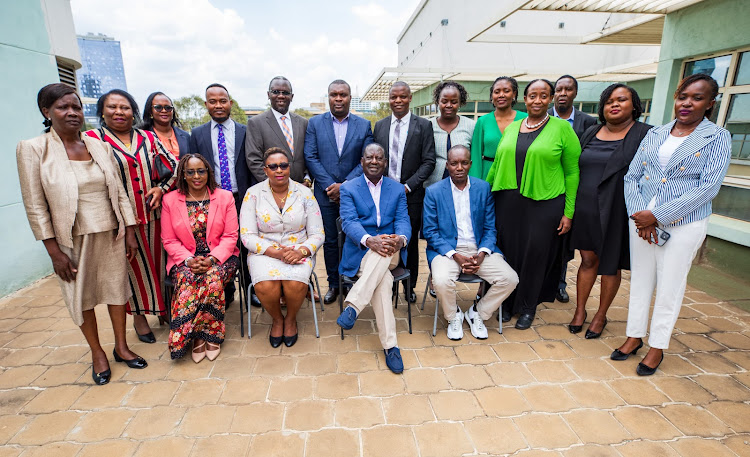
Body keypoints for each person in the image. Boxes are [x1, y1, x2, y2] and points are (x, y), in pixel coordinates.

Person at [17, 83, 146, 385]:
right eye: (63, 107)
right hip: (71, 240)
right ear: (46, 112)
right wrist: (54, 252)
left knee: (117, 292)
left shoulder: (97, 144)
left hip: (110, 232)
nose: (72, 112)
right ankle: (97, 353)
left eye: (76, 106)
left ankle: (121, 346)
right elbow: (35, 204)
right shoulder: (34, 149)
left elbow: (120, 190)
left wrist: (128, 230)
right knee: (82, 297)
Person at [612, 74, 730, 375]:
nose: (687, 103)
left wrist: (659, 216)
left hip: (683, 224)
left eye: (697, 97)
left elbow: (708, 188)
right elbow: (632, 177)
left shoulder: (716, 137)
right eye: (683, 96)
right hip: (641, 221)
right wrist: (640, 214)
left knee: (669, 286)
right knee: (640, 280)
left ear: (709, 103)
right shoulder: (656, 134)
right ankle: (634, 336)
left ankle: (657, 346)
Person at [486, 79, 581, 330]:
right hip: (508, 201)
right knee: (507, 252)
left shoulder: (562, 129)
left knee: (535, 256)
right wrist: (483, 197)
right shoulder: (513, 127)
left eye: (543, 95)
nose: (537, 100)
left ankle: (528, 307)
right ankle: (506, 302)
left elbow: (572, 173)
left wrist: (568, 212)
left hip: (545, 203)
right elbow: (496, 165)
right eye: (532, 96)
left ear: (550, 99)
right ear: (524, 99)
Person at [85, 89, 176, 342]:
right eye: (112, 107)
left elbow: (174, 168)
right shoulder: (92, 139)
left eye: (124, 107)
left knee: (159, 266)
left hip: (154, 216)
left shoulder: (148, 137)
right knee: (131, 269)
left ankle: (164, 311)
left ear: (133, 111)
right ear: (102, 111)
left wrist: (161, 188)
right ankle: (139, 318)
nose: (118, 112)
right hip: (119, 221)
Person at [568, 84, 651, 339]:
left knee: (610, 265)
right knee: (588, 260)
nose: (614, 105)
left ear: (634, 105)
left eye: (622, 100)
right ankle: (580, 311)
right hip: (586, 207)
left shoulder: (645, 134)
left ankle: (601, 315)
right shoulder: (591, 132)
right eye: (609, 101)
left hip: (617, 209)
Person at [423, 146, 518, 340]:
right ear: (447, 165)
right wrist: (455, 255)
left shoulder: (483, 188)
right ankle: (453, 316)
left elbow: (491, 228)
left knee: (510, 279)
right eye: (454, 163)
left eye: (464, 163)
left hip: (478, 249)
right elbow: (430, 232)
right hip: (447, 251)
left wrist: (482, 253)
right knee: (440, 280)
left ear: (470, 164)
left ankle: (478, 313)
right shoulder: (434, 192)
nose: (459, 167)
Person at [336, 144, 410, 374]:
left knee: (384, 252)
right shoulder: (349, 188)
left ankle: (354, 305)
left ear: (385, 162)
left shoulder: (397, 189)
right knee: (384, 282)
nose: (374, 161)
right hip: (362, 252)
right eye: (370, 157)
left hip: (391, 249)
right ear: (362, 161)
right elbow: (348, 222)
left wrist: (400, 239)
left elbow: (403, 220)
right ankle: (391, 346)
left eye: (379, 157)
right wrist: (370, 240)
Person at [239, 148, 324, 347]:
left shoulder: (304, 193)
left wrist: (302, 251)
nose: (279, 170)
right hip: (264, 251)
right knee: (266, 285)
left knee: (295, 284)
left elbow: (318, 233)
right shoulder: (253, 194)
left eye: (284, 165)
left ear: (289, 168)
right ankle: (277, 319)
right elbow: (247, 235)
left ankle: (291, 319)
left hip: (298, 249)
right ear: (265, 170)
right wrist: (276, 252)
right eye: (273, 166)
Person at [161, 154, 240, 362]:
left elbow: (231, 236)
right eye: (190, 172)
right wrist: (189, 260)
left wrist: (212, 259)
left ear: (208, 173)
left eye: (201, 171)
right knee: (189, 279)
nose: (196, 176)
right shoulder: (170, 200)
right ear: (183, 175)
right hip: (185, 259)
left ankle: (211, 334)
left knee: (212, 279)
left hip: (221, 257)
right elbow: (168, 240)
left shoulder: (224, 197)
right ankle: (196, 337)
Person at [304, 79, 374, 305]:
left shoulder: (363, 125)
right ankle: (334, 284)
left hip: (354, 193)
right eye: (334, 94)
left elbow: (366, 159)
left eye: (343, 95)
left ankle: (352, 281)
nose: (338, 98)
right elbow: (311, 156)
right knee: (331, 241)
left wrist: (344, 185)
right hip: (324, 195)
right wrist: (329, 185)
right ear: (328, 97)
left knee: (354, 237)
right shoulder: (314, 124)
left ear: (350, 97)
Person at [189, 83, 258, 308]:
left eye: (222, 101)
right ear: (206, 104)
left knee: (247, 243)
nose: (218, 105)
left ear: (230, 103)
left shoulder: (245, 131)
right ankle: (225, 290)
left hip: (242, 197)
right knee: (217, 244)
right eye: (213, 101)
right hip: (213, 201)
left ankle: (252, 289)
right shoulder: (197, 134)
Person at [373, 81, 436, 303]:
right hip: (383, 196)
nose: (397, 101)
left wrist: (407, 186)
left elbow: (429, 162)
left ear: (410, 98)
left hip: (412, 196)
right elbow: (375, 161)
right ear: (389, 99)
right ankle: (387, 285)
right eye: (393, 97)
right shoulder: (379, 126)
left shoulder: (424, 126)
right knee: (387, 238)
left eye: (402, 97)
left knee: (408, 241)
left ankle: (409, 286)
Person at [550, 75, 597, 304]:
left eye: (568, 89)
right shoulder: (543, 118)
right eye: (559, 89)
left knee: (564, 241)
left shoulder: (587, 123)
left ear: (575, 93)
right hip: (548, 187)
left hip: (573, 187)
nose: (563, 93)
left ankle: (559, 284)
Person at [246, 76, 310, 185]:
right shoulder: (256, 123)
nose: (281, 96)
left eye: (285, 93)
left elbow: (310, 154)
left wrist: (307, 178)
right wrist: (274, 185)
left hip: (301, 189)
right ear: (268, 95)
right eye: (276, 92)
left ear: (292, 96)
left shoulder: (303, 123)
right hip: (272, 191)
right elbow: (254, 160)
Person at [470, 76, 527, 180]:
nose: (501, 95)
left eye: (506, 91)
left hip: (517, 174)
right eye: (497, 92)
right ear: (492, 96)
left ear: (514, 94)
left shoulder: (524, 119)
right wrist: (475, 183)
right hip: (488, 175)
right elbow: (475, 155)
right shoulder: (483, 121)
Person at [425, 81, 475, 188]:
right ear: (438, 101)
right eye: (444, 101)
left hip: (463, 186)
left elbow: (475, 157)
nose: (449, 105)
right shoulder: (427, 125)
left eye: (454, 102)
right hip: (432, 186)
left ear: (460, 103)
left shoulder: (471, 126)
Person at [140, 91, 190, 158]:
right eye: (158, 107)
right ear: (150, 111)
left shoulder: (185, 136)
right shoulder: (142, 137)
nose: (164, 111)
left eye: (168, 108)